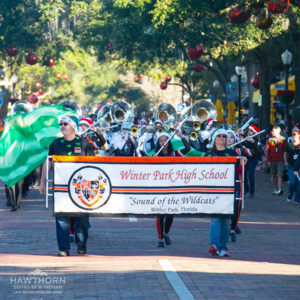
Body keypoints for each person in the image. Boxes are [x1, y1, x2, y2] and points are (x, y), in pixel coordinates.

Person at [39, 115, 95, 256]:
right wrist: (42, 182)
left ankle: (81, 242)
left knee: (82, 218)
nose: (62, 126)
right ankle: (63, 248)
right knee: (61, 218)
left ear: (73, 127)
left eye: (65, 124)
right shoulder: (56, 143)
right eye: (61, 124)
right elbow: (48, 162)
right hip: (61, 186)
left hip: (81, 187)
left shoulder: (84, 143)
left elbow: (93, 164)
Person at [205, 127, 243, 257]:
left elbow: (238, 171)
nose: (221, 138)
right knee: (215, 218)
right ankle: (214, 244)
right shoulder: (208, 154)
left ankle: (223, 247)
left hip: (229, 189)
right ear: (214, 138)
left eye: (224, 136)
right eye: (219, 136)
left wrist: (242, 164)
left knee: (226, 219)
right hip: (214, 190)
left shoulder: (231, 153)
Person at [153, 129, 191, 247]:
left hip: (172, 186)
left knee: (170, 213)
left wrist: (181, 136)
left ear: (169, 142)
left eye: (165, 140)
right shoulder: (154, 155)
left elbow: (188, 149)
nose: (163, 143)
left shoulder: (175, 153)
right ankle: (160, 239)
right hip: (159, 187)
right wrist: (151, 161)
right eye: (160, 141)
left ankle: (166, 233)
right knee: (160, 214)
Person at [266, 126, 287, 196]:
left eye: (273, 131)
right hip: (272, 160)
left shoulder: (283, 139)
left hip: (280, 159)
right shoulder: (270, 140)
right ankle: (275, 189)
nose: (272, 132)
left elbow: (286, 150)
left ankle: (280, 189)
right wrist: (268, 160)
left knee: (280, 174)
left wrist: (285, 159)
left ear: (278, 132)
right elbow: (268, 151)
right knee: (273, 175)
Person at [284, 126, 300, 204]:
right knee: (292, 182)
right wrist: (286, 162)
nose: (293, 136)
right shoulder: (290, 144)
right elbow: (285, 154)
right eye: (293, 134)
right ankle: (290, 195)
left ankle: (296, 200)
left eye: (295, 134)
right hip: (291, 165)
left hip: (299, 167)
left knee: (299, 184)